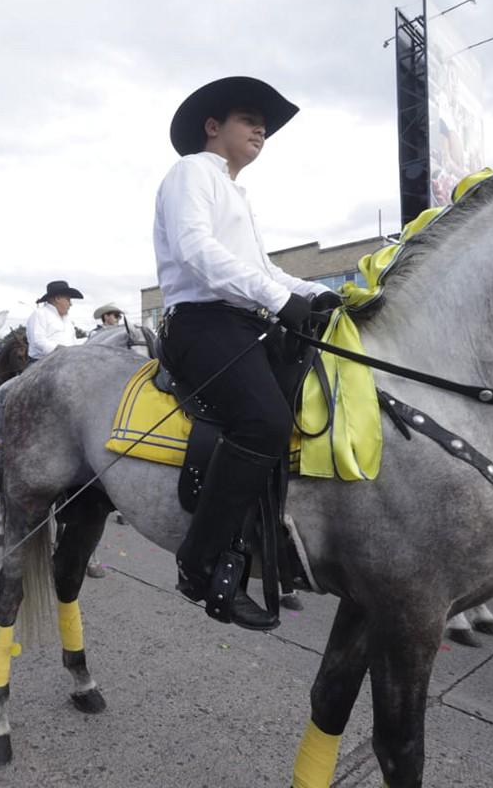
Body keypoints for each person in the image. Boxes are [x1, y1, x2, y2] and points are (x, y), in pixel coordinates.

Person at [155, 76, 340, 630]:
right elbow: (195, 251)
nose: (261, 129)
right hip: (203, 322)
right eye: (247, 118)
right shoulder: (192, 172)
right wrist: (278, 298)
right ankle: (199, 559)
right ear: (214, 127)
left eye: (264, 124)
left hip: (243, 320)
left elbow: (263, 270)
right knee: (263, 421)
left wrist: (319, 294)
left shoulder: (235, 191)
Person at [26, 280, 82, 362]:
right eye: (68, 300)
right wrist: (61, 350)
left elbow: (73, 341)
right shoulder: (39, 314)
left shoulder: (68, 320)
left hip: (69, 361)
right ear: (57, 298)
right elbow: (38, 341)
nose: (70, 304)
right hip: (42, 363)